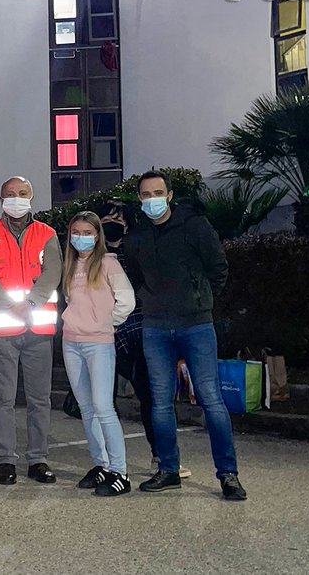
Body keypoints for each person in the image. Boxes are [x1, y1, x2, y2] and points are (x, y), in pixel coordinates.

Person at [120, 170, 248, 501]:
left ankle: (228, 475)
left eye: (157, 193)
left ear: (171, 194)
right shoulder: (138, 237)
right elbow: (134, 274)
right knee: (160, 402)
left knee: (211, 398)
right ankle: (168, 470)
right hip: (156, 327)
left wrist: (201, 301)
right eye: (146, 195)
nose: (152, 200)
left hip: (196, 325)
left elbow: (218, 267)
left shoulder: (194, 226)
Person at [0, 176, 63, 485]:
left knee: (39, 399)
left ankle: (38, 459)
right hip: (2, 331)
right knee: (3, 400)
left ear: (31, 198)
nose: (16, 198)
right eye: (10, 194)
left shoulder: (47, 234)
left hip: (38, 329)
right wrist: (10, 306)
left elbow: (53, 273)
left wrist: (32, 302)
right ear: (1, 200)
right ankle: (6, 460)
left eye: (22, 193)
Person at [99, 201, 190, 479]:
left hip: (141, 333)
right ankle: (106, 461)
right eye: (107, 219)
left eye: (119, 220)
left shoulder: (137, 253)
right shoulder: (90, 256)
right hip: (101, 336)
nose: (113, 224)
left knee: (151, 397)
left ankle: (162, 456)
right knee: (103, 402)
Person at [61, 211, 136, 496]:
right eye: (76, 233)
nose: (81, 238)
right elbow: (70, 301)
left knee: (104, 408)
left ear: (97, 235)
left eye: (87, 232)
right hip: (71, 342)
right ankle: (101, 464)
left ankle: (120, 471)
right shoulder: (70, 265)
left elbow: (126, 301)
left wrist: (105, 323)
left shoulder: (107, 264)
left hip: (99, 344)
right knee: (87, 408)